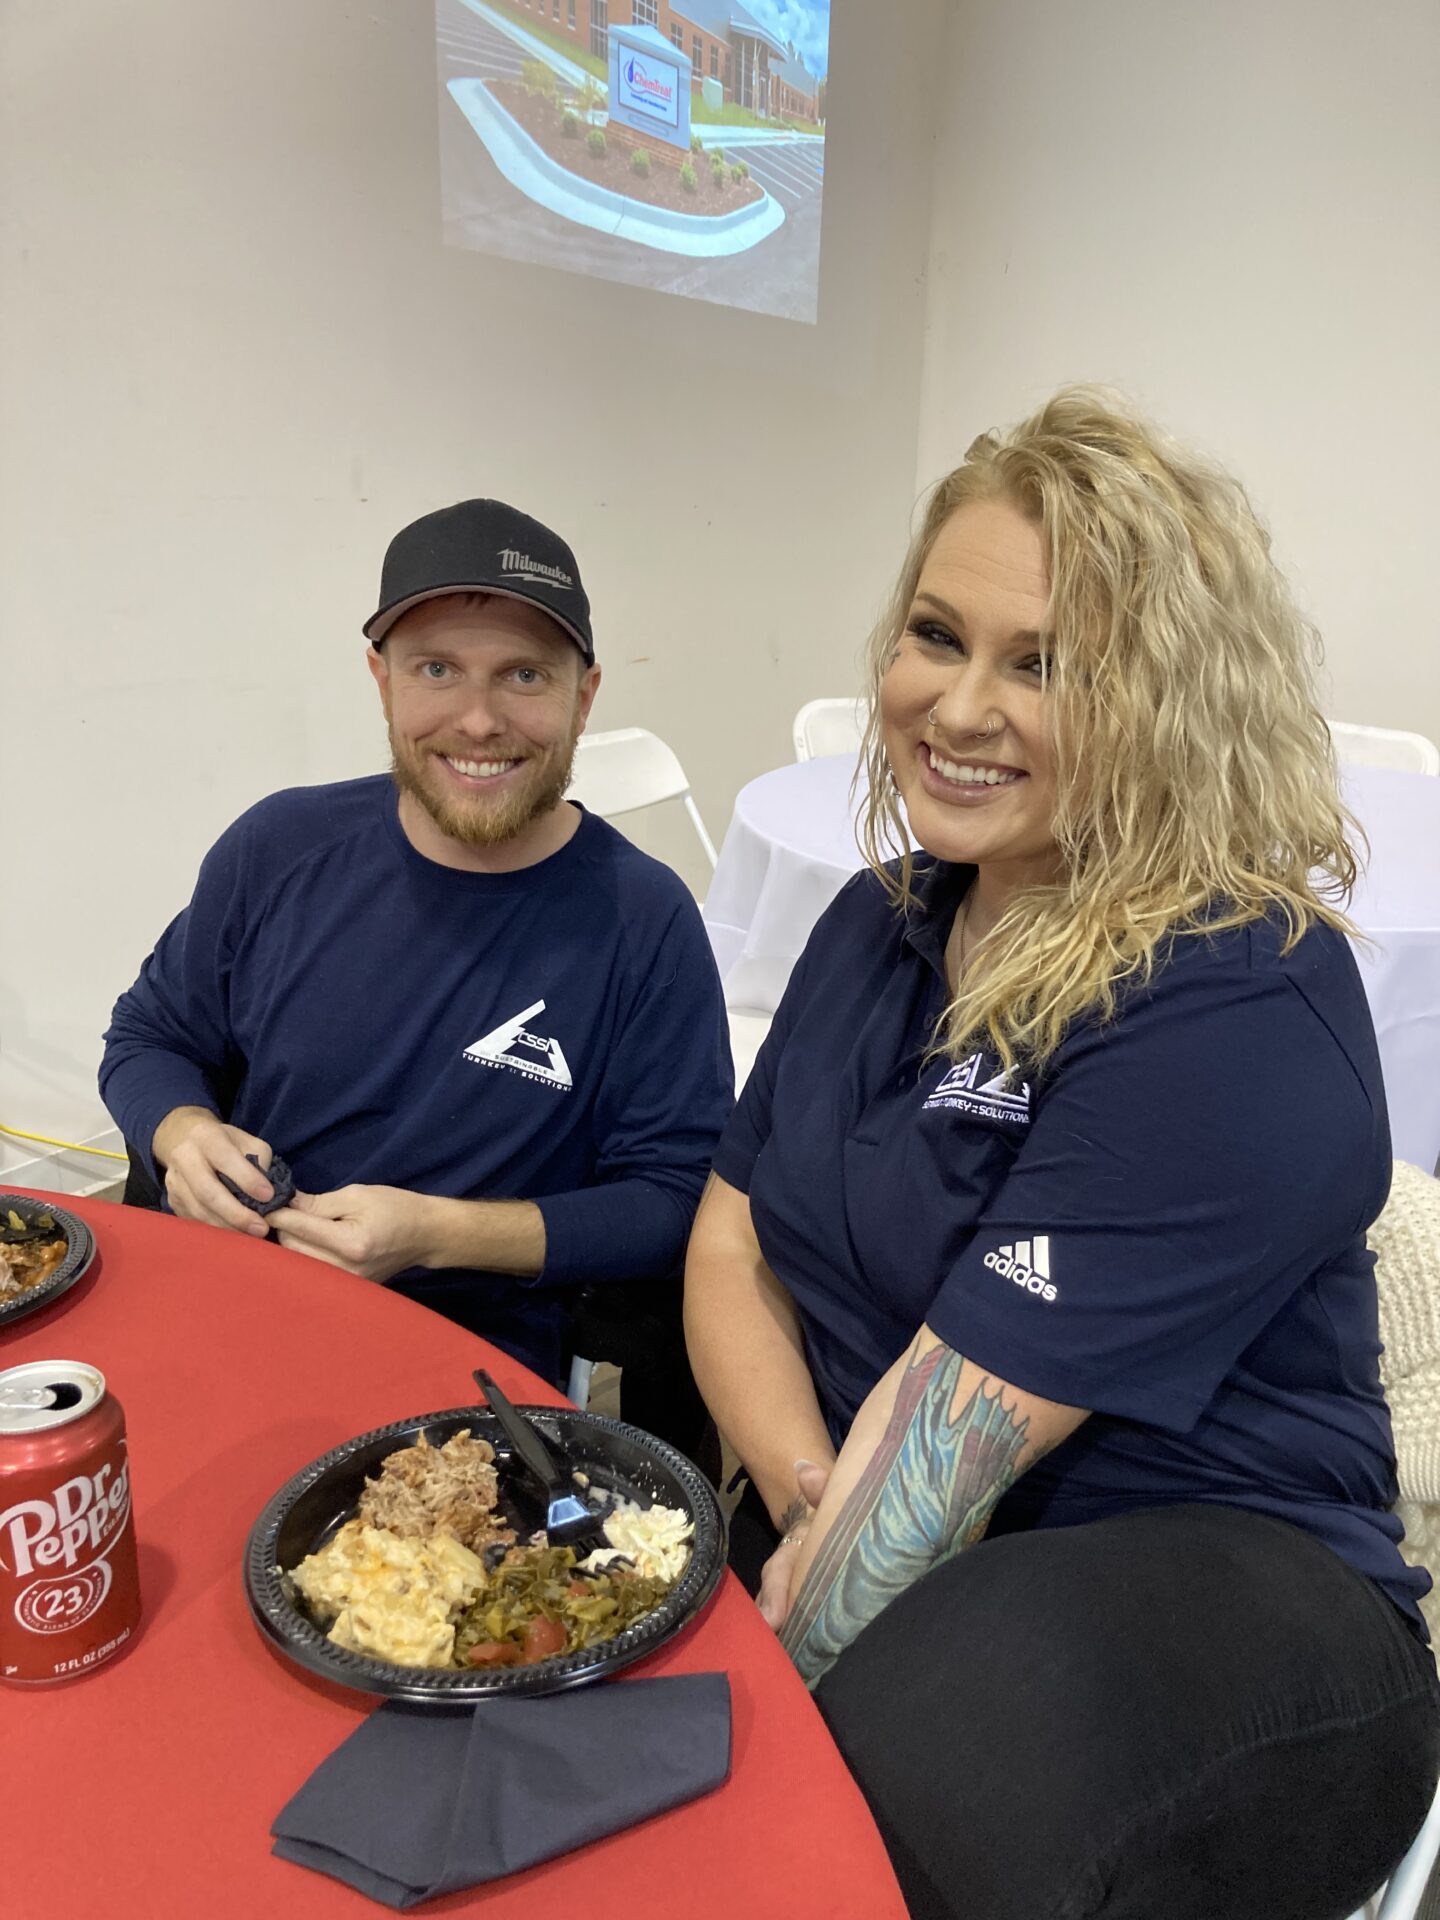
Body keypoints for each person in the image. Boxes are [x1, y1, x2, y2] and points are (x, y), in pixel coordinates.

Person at [684, 391, 1440, 1920]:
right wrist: (805, 1487)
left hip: (1215, 1581)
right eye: (935, 634)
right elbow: (728, 1243)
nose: (957, 708)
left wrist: (792, 1624)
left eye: (1046, 664)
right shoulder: (876, 918)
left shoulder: (1228, 994)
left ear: (1174, 700)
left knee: (862, 1785)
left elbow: (951, 1444)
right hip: (879, 1504)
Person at [102, 499, 732, 1417]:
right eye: (437, 669)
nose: (478, 721)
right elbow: (148, 1036)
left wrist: (436, 1234)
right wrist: (179, 1133)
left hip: (466, 1375)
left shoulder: (643, 918)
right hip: (229, 1308)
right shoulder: (278, 848)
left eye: (523, 674)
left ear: (583, 695)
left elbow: (674, 1201)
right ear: (382, 679)